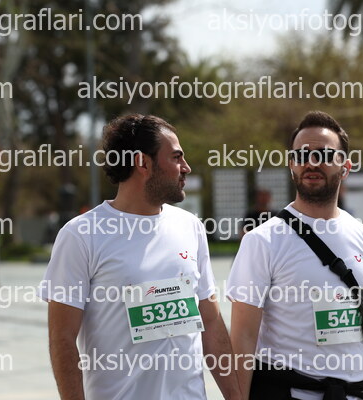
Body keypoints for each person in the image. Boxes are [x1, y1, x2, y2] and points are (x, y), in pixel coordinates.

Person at [39, 114, 241, 400]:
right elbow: (62, 339)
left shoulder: (190, 226)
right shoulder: (81, 234)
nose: (186, 167)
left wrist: (236, 396)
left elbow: (210, 321)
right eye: (176, 157)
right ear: (143, 163)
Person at [227, 111, 363, 400]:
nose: (311, 163)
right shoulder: (263, 240)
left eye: (323, 155)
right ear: (291, 165)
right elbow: (243, 336)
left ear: (345, 167)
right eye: (301, 155)